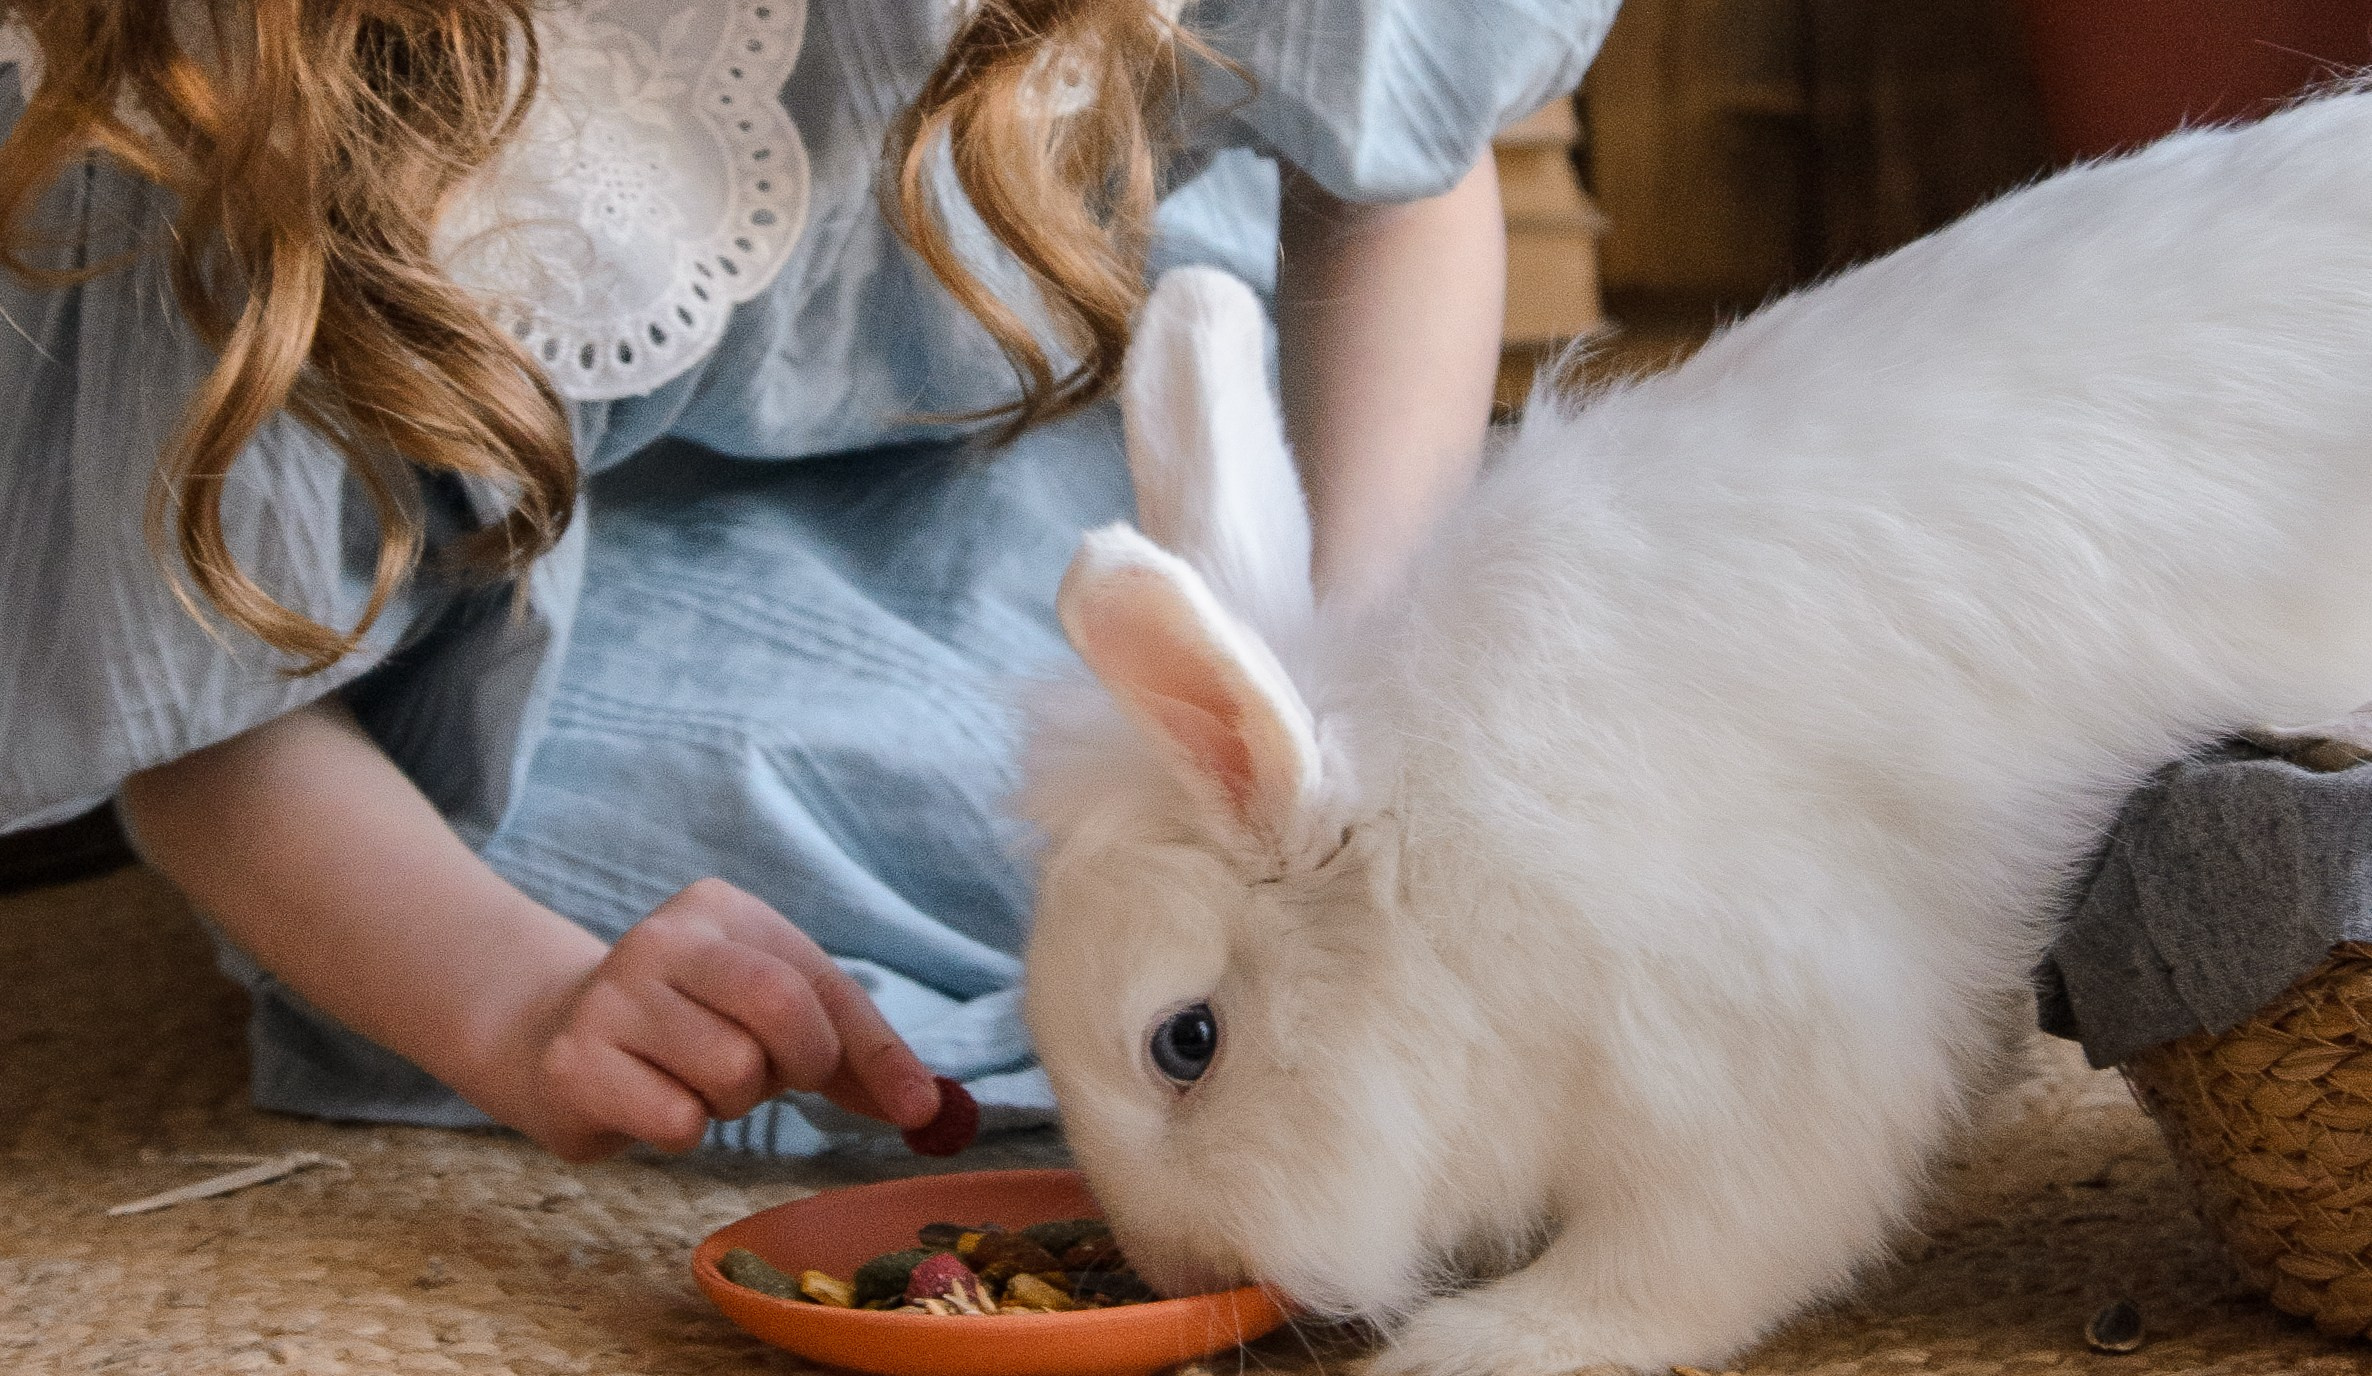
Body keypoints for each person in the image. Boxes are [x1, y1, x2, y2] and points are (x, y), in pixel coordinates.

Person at [0, 0, 1617, 1160]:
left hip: (1064, 418)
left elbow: (1394, 178)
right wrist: (527, 1008)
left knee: (1485, 724)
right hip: (535, 590)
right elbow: (189, 672)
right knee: (753, 887)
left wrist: (1347, 707)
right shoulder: (238, 59)